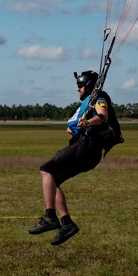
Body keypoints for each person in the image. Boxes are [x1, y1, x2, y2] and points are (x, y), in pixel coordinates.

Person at [30, 69, 122, 245]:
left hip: (87, 146)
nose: (78, 89)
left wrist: (88, 122)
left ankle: (50, 217)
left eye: (80, 86)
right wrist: (79, 123)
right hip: (87, 150)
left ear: (88, 86)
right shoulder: (87, 103)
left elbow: (103, 116)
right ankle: (67, 224)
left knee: (46, 169)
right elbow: (71, 127)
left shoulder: (98, 98)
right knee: (53, 181)